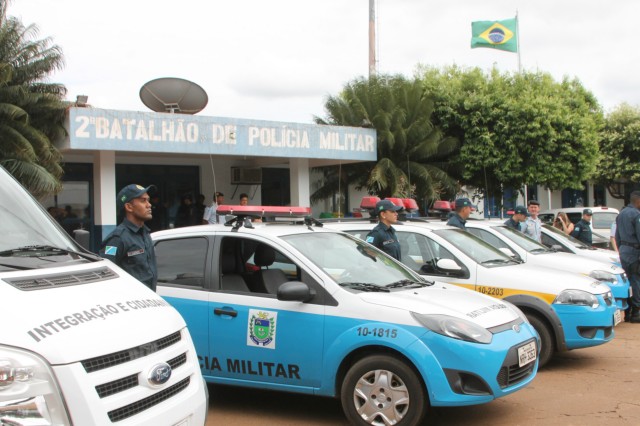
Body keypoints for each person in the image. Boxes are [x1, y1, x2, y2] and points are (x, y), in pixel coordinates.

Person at [99, 184, 157, 291]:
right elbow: (105, 273)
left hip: (149, 301)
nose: (149, 205)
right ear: (129, 207)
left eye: (148, 200)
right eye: (143, 200)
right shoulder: (117, 238)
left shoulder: (145, 233)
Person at [615, 191, 640, 323]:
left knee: (627, 281)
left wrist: (622, 249)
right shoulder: (636, 214)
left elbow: (617, 236)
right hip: (635, 251)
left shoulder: (621, 214)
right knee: (636, 281)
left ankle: (628, 312)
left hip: (624, 250)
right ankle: (636, 312)